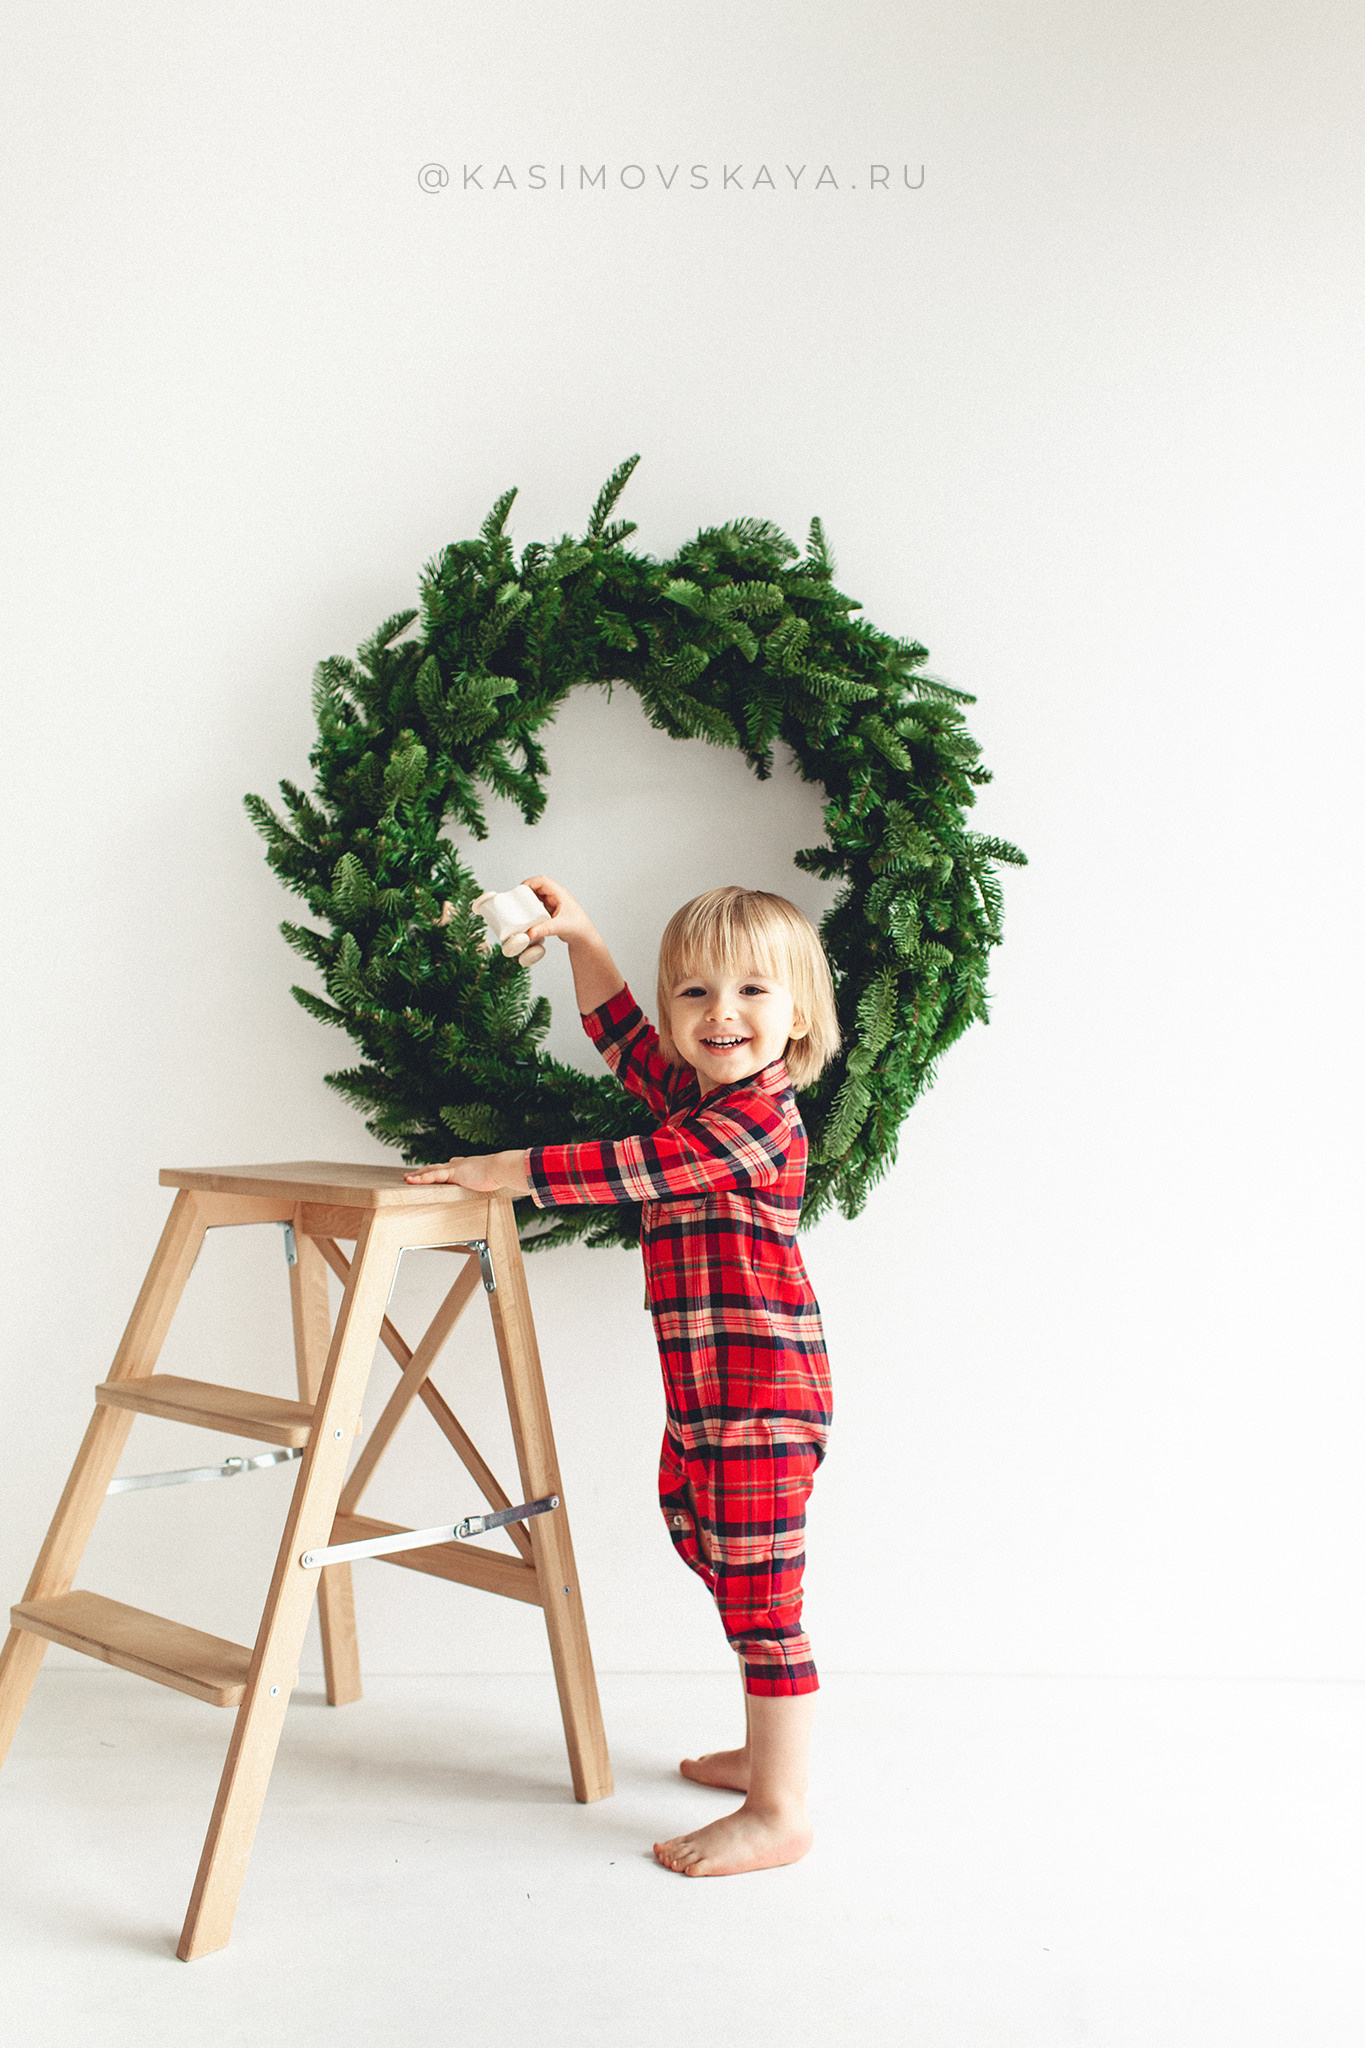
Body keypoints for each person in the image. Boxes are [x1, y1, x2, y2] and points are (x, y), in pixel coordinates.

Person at [405, 876, 840, 1876]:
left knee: (763, 1595)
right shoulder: (702, 1096)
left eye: (752, 991)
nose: (720, 1011)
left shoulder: (752, 1124)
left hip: (762, 1398)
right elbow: (623, 1042)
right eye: (694, 992)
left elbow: (628, 1167)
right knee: (710, 1543)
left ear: (798, 1016)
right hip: (709, 1395)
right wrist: (583, 939)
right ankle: (765, 1751)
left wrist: (506, 1169)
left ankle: (780, 1808)